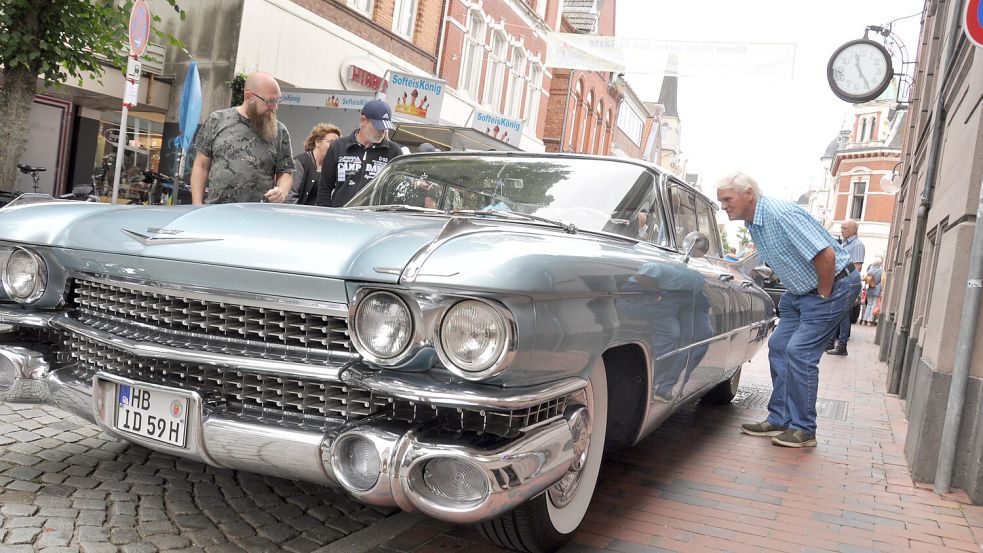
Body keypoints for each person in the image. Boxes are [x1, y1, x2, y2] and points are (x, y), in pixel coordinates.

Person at [717, 172, 861, 448]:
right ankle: (780, 419)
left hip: (831, 285)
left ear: (749, 194)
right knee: (781, 346)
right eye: (721, 200)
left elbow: (826, 255)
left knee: (801, 352)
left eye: (727, 199)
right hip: (798, 293)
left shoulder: (780, 214)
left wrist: (823, 294)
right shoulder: (753, 223)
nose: (723, 205)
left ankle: (804, 429)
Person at [190, 72, 294, 204]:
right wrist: (197, 204)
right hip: (216, 212)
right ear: (249, 96)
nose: (275, 107)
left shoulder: (279, 131)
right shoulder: (217, 120)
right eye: (269, 102)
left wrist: (282, 191)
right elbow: (201, 165)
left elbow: (285, 171)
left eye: (277, 101)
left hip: (257, 215)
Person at [315, 99, 403, 207]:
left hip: (373, 219)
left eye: (385, 127)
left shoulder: (393, 151)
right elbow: (324, 189)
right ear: (363, 121)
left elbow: (397, 191)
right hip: (340, 217)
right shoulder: (339, 146)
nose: (383, 131)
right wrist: (325, 217)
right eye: (378, 127)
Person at [826, 219, 865, 356]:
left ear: (853, 230)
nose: (841, 230)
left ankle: (842, 345)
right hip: (840, 281)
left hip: (848, 282)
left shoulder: (857, 245)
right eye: (841, 228)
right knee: (837, 312)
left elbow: (858, 267)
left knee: (842, 314)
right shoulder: (844, 244)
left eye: (844, 228)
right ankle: (830, 343)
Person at [290, 123, 341, 205]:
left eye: (337, 144)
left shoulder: (335, 167)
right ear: (317, 142)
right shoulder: (300, 162)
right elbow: (290, 197)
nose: (335, 146)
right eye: (331, 142)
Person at [861, 257, 884, 325]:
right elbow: (883, 281)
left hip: (870, 288)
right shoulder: (881, 271)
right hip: (877, 289)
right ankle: (870, 321)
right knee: (874, 305)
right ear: (879, 263)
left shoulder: (870, 271)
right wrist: (881, 289)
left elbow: (865, 279)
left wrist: (866, 286)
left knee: (869, 304)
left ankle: (864, 320)